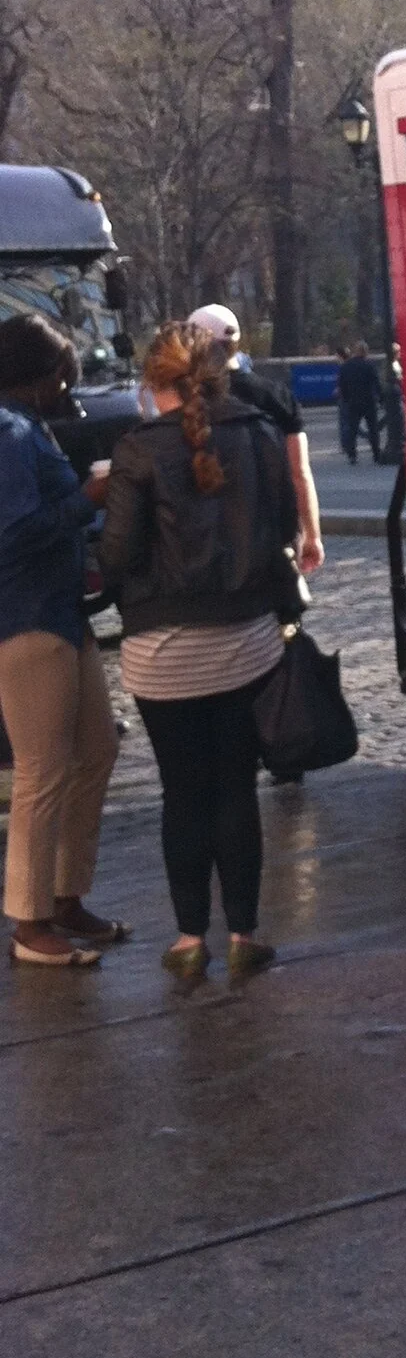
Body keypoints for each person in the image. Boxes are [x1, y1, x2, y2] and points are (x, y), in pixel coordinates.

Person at [101, 322, 300, 983]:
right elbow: (285, 529)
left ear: (150, 383)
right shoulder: (259, 432)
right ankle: (244, 932)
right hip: (246, 642)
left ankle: (190, 940)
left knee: (182, 795)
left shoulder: (135, 452)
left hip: (161, 653)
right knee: (237, 790)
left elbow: (119, 554)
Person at [0, 317, 124, 968]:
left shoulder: (23, 428)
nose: (68, 384)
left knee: (95, 751)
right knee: (43, 772)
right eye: (63, 374)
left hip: (59, 614)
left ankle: (65, 895)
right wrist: (88, 498)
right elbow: (16, 531)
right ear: (44, 376)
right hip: (27, 617)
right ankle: (31, 921)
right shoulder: (10, 432)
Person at [187, 305, 323, 577]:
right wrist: (312, 534)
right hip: (271, 526)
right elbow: (300, 473)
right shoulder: (276, 395)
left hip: (208, 528)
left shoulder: (186, 400)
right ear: (236, 343)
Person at [336, 341, 384, 465]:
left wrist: (346, 399)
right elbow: (376, 383)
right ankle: (376, 454)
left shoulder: (346, 366)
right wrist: (381, 398)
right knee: (373, 429)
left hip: (353, 401)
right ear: (366, 352)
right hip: (368, 400)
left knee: (352, 429)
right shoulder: (369, 365)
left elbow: (342, 385)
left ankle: (352, 455)